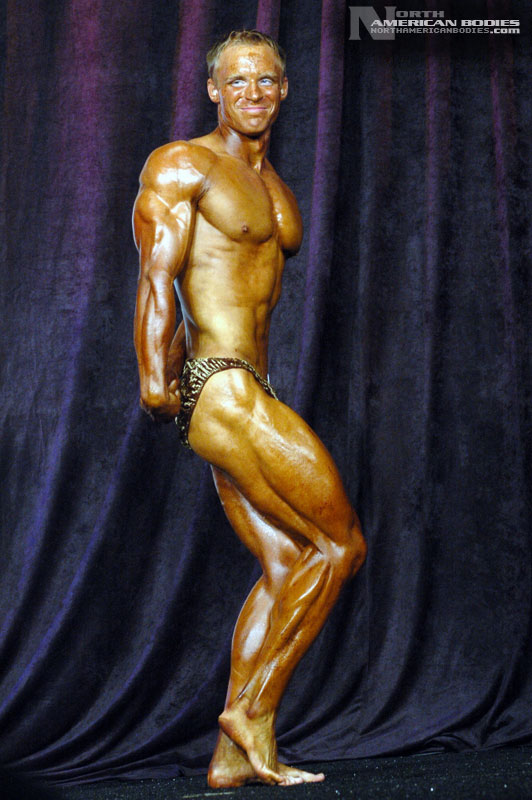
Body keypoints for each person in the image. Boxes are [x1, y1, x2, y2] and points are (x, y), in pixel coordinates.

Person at [133, 29, 366, 787]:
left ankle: (230, 760)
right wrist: (154, 376)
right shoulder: (184, 164)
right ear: (213, 91)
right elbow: (156, 275)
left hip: (252, 387)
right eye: (237, 81)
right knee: (341, 547)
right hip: (218, 380)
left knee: (287, 563)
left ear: (285, 89)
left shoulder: (277, 189)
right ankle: (254, 711)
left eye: (266, 80)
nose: (253, 93)